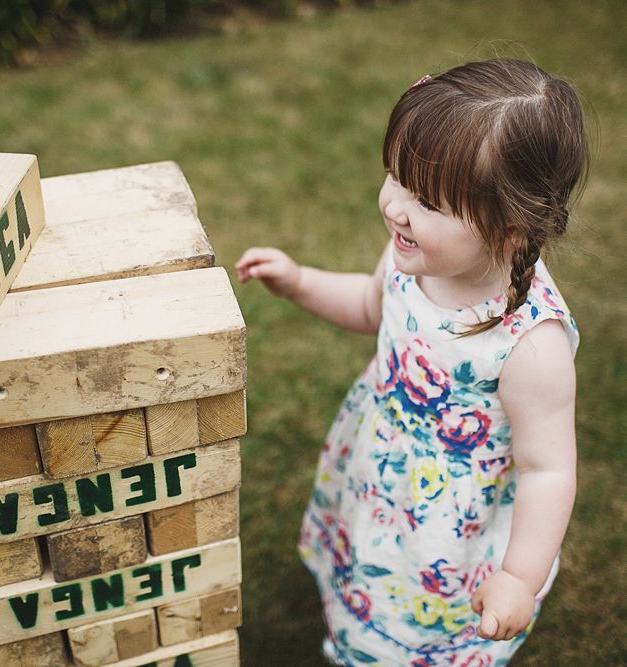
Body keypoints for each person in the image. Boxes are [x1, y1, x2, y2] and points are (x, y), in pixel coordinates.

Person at [235, 59, 589, 666]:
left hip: (450, 519)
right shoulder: (414, 257)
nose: (395, 206)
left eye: (425, 199)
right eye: (396, 177)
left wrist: (519, 579)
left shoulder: (531, 345)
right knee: (371, 566)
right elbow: (373, 307)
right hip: (381, 468)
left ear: (506, 231)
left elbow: (547, 471)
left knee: (420, 612)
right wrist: (299, 283)